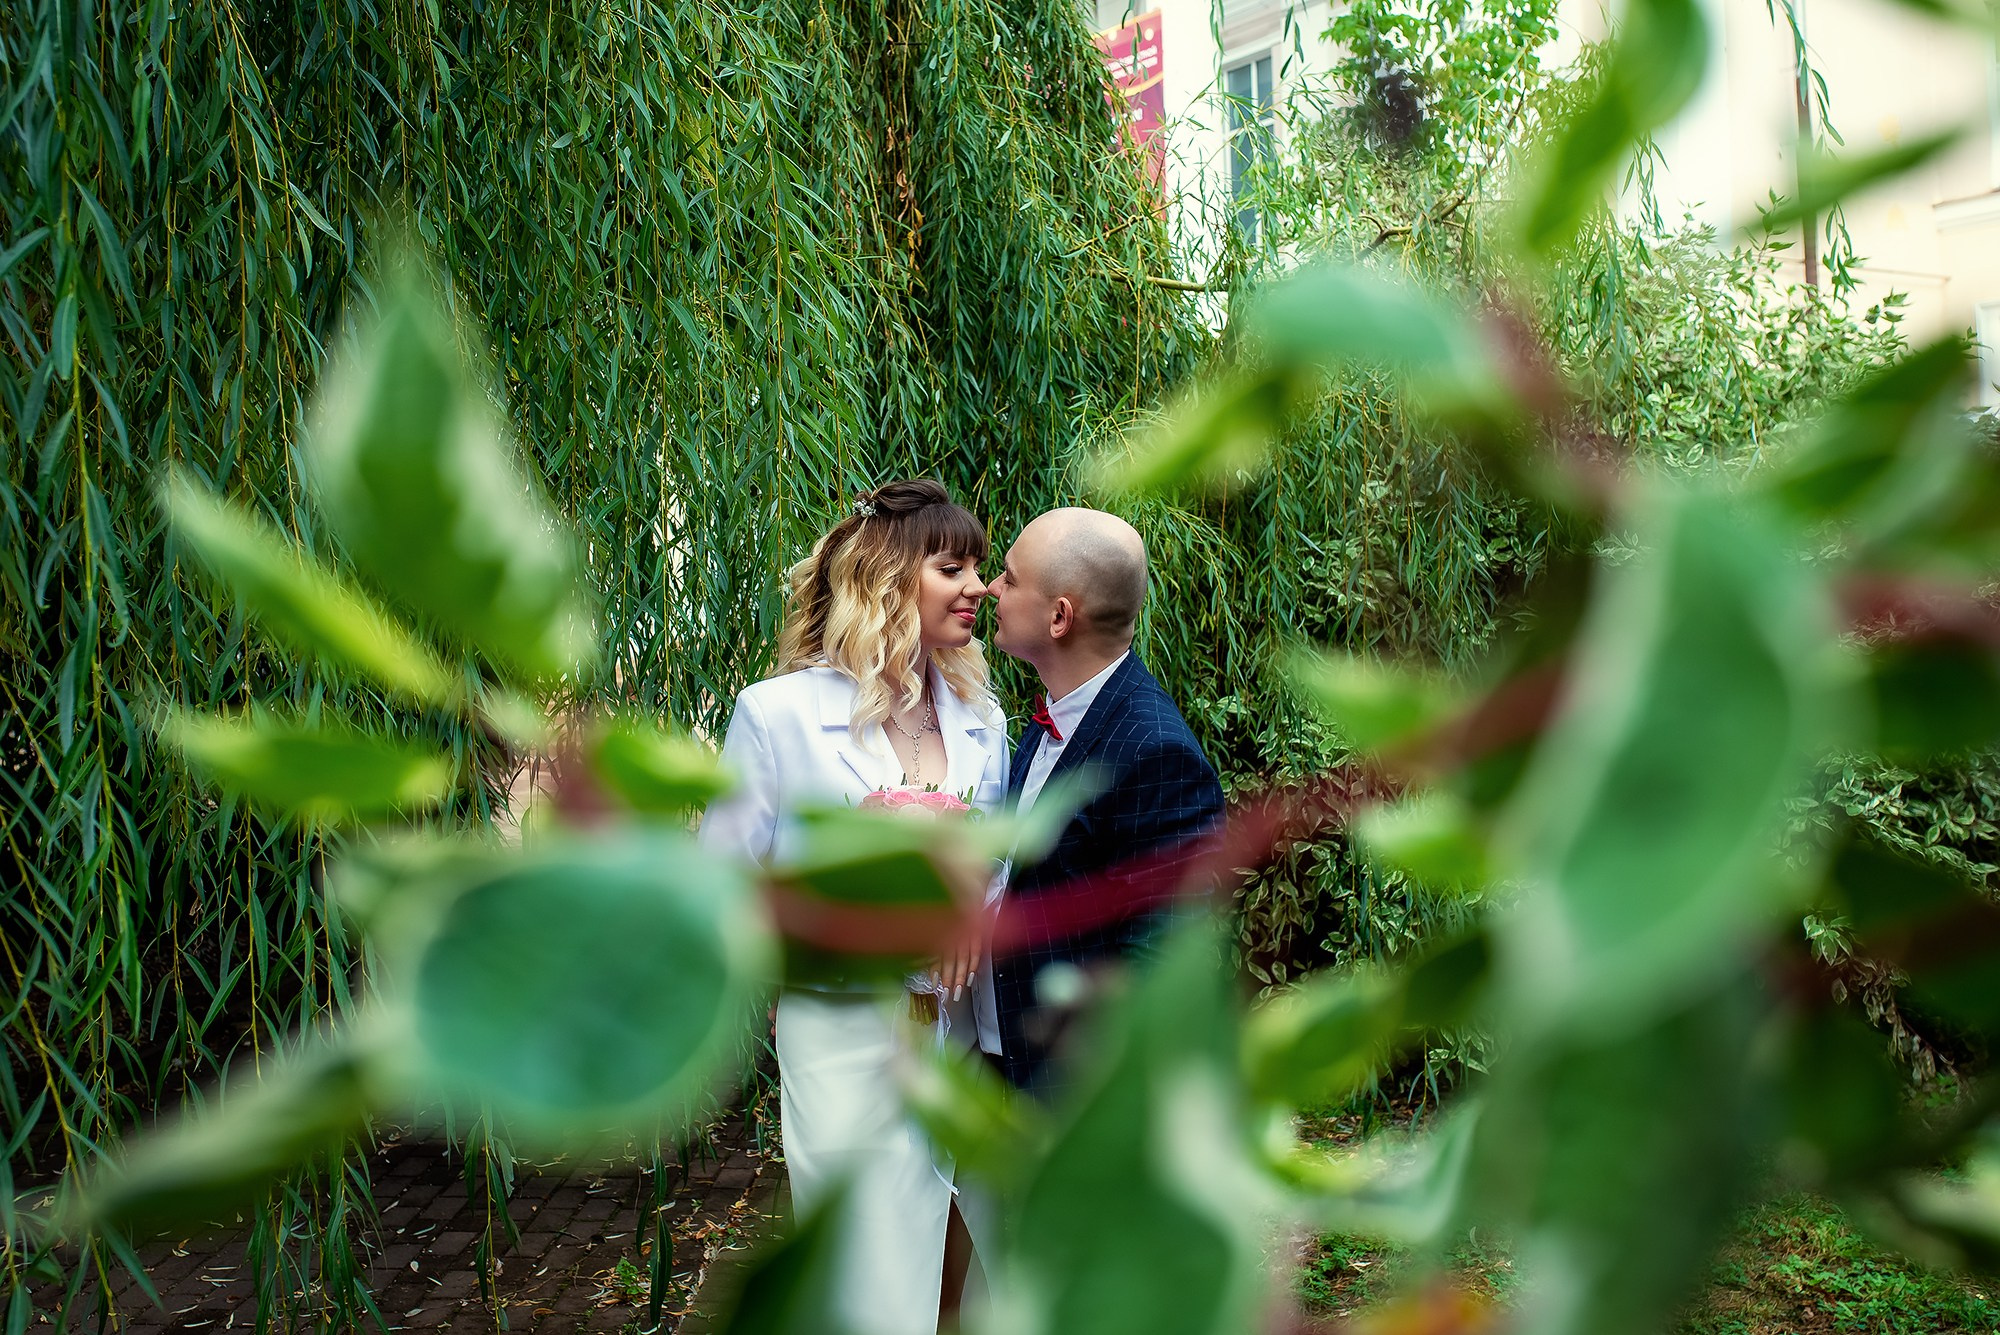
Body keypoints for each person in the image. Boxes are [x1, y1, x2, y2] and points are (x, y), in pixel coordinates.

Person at [697, 480, 1007, 1335]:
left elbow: (1004, 851)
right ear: (890, 580)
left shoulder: (983, 718)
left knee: (985, 1262)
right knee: (862, 1272)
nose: (978, 586)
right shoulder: (777, 716)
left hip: (960, 1039)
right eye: (954, 567)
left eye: (980, 566)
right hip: (843, 1036)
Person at [978, 506, 1226, 1096]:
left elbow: (1159, 962)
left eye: (1010, 578)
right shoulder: (1049, 720)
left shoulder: (1157, 753)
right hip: (997, 1066)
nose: (990, 588)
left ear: (1060, 616)